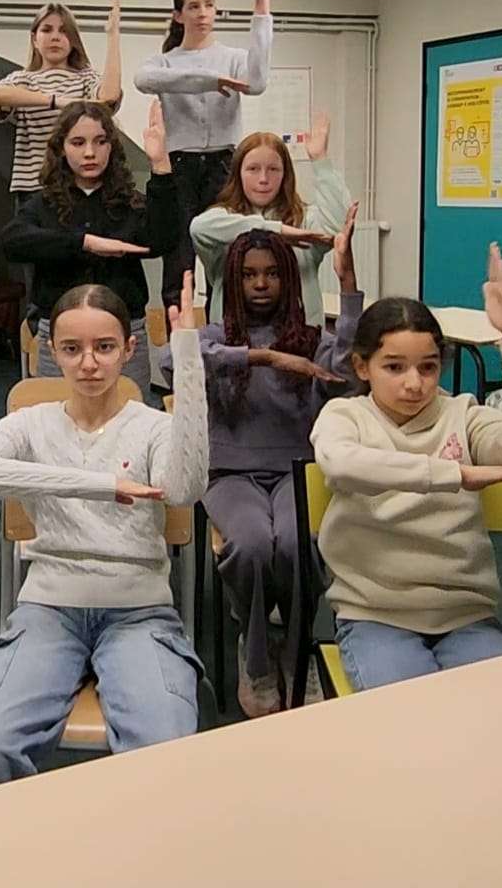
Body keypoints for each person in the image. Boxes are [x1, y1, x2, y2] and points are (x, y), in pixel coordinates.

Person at [0, 273, 208, 792]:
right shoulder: (31, 423)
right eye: (72, 348)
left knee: (168, 752)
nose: (88, 363)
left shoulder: (152, 426)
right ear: (52, 352)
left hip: (138, 613)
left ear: (129, 349)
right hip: (49, 610)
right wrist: (99, 485)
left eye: (104, 347)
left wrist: (188, 359)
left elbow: (185, 489)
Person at [310, 244, 502, 690]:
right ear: (362, 367)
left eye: (428, 367)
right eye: (394, 367)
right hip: (375, 616)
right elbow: (341, 464)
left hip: (466, 617)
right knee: (412, 714)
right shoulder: (345, 417)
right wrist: (454, 474)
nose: (414, 383)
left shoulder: (461, 413)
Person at [161, 207, 362, 716]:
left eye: (272, 273)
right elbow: (171, 362)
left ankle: (297, 653)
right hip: (230, 476)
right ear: (234, 280)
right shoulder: (214, 337)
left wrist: (348, 285)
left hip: (298, 472)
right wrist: (262, 357)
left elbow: (349, 375)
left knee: (296, 544)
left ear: (288, 279)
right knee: (250, 544)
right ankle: (255, 657)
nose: (260, 284)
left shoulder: (312, 338)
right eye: (250, 274)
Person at [0, 100, 178, 399]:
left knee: (129, 417)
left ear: (112, 147)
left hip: (123, 332)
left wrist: (160, 165)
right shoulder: (44, 204)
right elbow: (12, 241)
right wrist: (84, 243)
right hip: (61, 334)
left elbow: (163, 239)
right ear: (62, 148)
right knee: (60, 418)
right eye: (78, 143)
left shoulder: (128, 202)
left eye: (100, 141)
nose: (90, 153)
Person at [134, 0, 273, 310]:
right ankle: (178, 337)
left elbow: (257, 83)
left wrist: (261, 21)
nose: (202, 13)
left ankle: (222, 335)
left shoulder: (232, 56)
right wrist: (210, 81)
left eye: (209, 5)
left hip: (224, 164)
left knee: (224, 259)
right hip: (180, 166)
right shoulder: (165, 61)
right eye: (194, 6)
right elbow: (143, 79)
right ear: (178, 15)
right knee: (178, 261)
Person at [189, 117, 353, 327]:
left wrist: (320, 162)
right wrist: (277, 231)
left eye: (273, 169)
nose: (263, 179)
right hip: (234, 341)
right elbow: (198, 228)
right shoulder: (222, 219)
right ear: (238, 174)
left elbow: (335, 231)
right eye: (253, 169)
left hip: (300, 339)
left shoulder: (303, 219)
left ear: (285, 175)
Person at [0, 0, 123, 209]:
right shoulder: (23, 79)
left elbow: (109, 96)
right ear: (34, 39)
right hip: (33, 187)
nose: (55, 37)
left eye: (63, 31)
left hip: (78, 185)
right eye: (47, 30)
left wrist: (113, 36)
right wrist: (57, 102)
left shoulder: (85, 77)